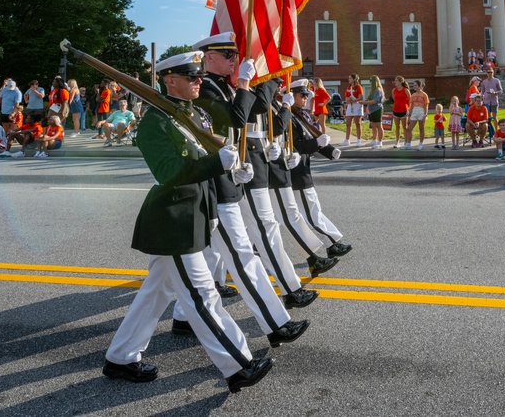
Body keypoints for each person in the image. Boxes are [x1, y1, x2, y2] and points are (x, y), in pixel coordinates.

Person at [102, 50, 272, 392]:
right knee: (202, 295)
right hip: (173, 221)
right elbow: (168, 173)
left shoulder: (190, 114)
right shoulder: (155, 123)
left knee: (155, 293)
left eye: (198, 75)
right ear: (169, 80)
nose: (199, 81)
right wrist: (215, 164)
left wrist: (233, 171)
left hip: (194, 213)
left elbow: (216, 142)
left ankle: (121, 358)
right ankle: (239, 365)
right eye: (191, 76)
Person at [184, 32, 321, 335]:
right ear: (209, 58)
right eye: (229, 55)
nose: (236, 60)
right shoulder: (206, 89)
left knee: (191, 262)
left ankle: (181, 317)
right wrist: (247, 83)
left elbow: (252, 112)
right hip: (215, 182)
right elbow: (235, 120)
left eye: (235, 55)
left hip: (230, 174)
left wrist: (269, 82)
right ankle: (277, 323)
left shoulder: (220, 86)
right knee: (243, 251)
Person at [288, 81, 354, 260]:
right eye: (302, 95)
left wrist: (329, 150)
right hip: (295, 171)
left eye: (306, 95)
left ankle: (330, 245)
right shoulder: (287, 116)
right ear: (290, 94)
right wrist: (317, 144)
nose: (305, 99)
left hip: (302, 169)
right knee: (310, 211)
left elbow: (312, 137)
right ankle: (331, 244)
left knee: (305, 211)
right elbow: (298, 145)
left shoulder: (301, 115)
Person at [340, 74, 364, 147]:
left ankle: (359, 140)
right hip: (350, 106)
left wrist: (353, 100)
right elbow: (346, 97)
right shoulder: (348, 87)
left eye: (350, 78)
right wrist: (348, 100)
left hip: (357, 105)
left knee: (358, 123)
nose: (349, 79)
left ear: (354, 79)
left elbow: (360, 97)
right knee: (348, 123)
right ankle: (347, 140)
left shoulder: (359, 87)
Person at [404, 79, 429, 149]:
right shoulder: (413, 95)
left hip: (421, 111)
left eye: (415, 85)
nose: (414, 87)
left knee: (421, 128)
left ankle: (420, 143)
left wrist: (425, 115)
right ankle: (408, 144)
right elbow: (411, 106)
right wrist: (409, 115)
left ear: (419, 86)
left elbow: (426, 105)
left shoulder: (424, 95)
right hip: (414, 111)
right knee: (409, 128)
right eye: (413, 85)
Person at [363, 75, 385, 148]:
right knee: (373, 125)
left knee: (379, 125)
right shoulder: (372, 91)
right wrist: (363, 102)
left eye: (371, 82)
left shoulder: (378, 90)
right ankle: (374, 140)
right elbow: (369, 99)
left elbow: (375, 101)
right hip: (371, 110)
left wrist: (365, 103)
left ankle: (380, 141)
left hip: (377, 109)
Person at [389, 76, 410, 148]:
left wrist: (409, 109)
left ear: (401, 82)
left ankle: (406, 141)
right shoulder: (394, 90)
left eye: (396, 80)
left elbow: (409, 100)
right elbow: (394, 99)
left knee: (405, 127)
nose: (395, 82)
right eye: (395, 80)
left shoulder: (405, 90)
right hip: (396, 110)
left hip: (404, 110)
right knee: (397, 127)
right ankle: (397, 142)